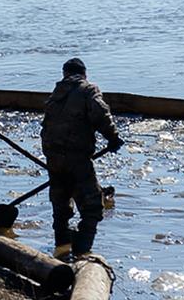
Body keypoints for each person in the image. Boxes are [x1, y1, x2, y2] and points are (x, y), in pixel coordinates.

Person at [40, 58, 124, 260]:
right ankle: (82, 251)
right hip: (76, 157)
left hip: (53, 156)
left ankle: (61, 247)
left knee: (60, 206)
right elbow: (101, 114)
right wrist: (113, 137)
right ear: (84, 74)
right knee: (93, 207)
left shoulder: (56, 94)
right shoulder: (88, 90)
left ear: (64, 74)